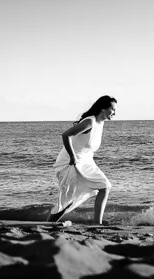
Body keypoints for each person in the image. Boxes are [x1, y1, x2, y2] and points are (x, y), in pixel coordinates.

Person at [47, 95, 117, 225]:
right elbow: (66, 135)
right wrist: (72, 156)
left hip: (86, 162)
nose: (114, 113)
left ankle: (97, 224)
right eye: (112, 109)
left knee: (105, 186)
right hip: (70, 163)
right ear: (103, 108)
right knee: (68, 201)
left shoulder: (100, 123)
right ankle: (48, 225)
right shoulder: (89, 122)